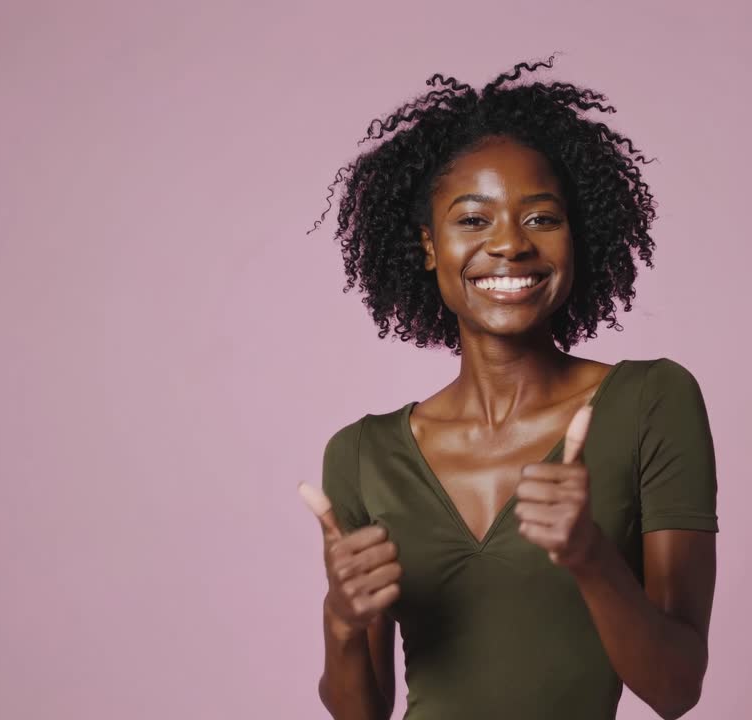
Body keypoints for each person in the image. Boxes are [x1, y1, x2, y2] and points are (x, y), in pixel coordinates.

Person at [298, 56, 719, 720]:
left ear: (576, 238)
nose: (510, 246)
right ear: (429, 246)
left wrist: (590, 557)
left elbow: (676, 688)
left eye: (541, 219)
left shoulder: (650, 403)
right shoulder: (360, 456)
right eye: (472, 221)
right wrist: (342, 621)